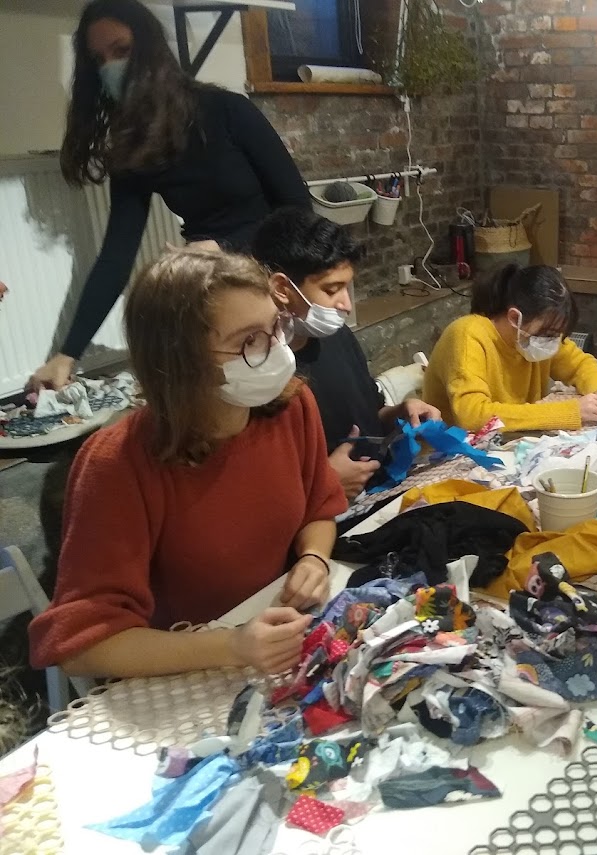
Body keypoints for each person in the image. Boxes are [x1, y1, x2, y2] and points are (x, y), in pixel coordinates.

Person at [29, 249, 347, 679]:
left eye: (276, 327)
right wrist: (231, 645)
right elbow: (83, 647)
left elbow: (319, 507)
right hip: (182, 667)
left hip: (270, 642)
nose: (277, 351)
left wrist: (314, 559)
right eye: (248, 341)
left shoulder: (291, 407)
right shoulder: (116, 463)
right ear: (183, 360)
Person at [28, 0, 308, 392]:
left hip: (280, 275)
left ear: (149, 50)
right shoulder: (134, 146)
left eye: (122, 51)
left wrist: (225, 247)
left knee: (292, 393)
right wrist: (66, 354)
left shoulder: (227, 110)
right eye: (98, 59)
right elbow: (116, 256)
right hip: (216, 286)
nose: (110, 67)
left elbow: (299, 209)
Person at [250, 207, 440, 501]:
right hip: (327, 514)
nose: (346, 305)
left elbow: (372, 414)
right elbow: (259, 491)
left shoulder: (337, 337)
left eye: (346, 288)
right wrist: (324, 482)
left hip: (383, 490)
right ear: (282, 289)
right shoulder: (259, 376)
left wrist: (401, 412)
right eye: (331, 290)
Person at [421, 264, 597, 432]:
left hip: (508, 441)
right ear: (515, 318)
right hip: (452, 450)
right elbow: (473, 416)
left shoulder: (537, 335)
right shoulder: (468, 335)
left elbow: (579, 364)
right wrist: (570, 412)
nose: (553, 341)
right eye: (548, 334)